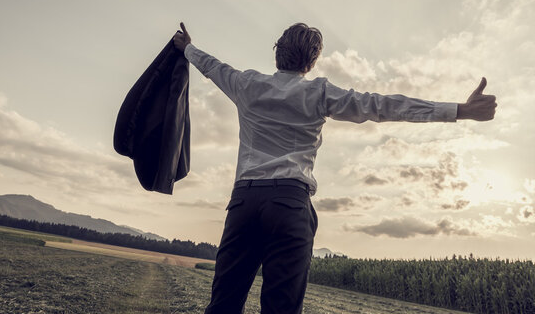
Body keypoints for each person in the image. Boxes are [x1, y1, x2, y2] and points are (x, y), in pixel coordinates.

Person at [172, 22, 496, 314]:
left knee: (223, 305)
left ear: (278, 53)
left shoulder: (247, 84)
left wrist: (187, 46)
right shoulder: (318, 92)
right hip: (289, 205)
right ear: (310, 62)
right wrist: (460, 110)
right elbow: (382, 105)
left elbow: (210, 66)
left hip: (244, 202)